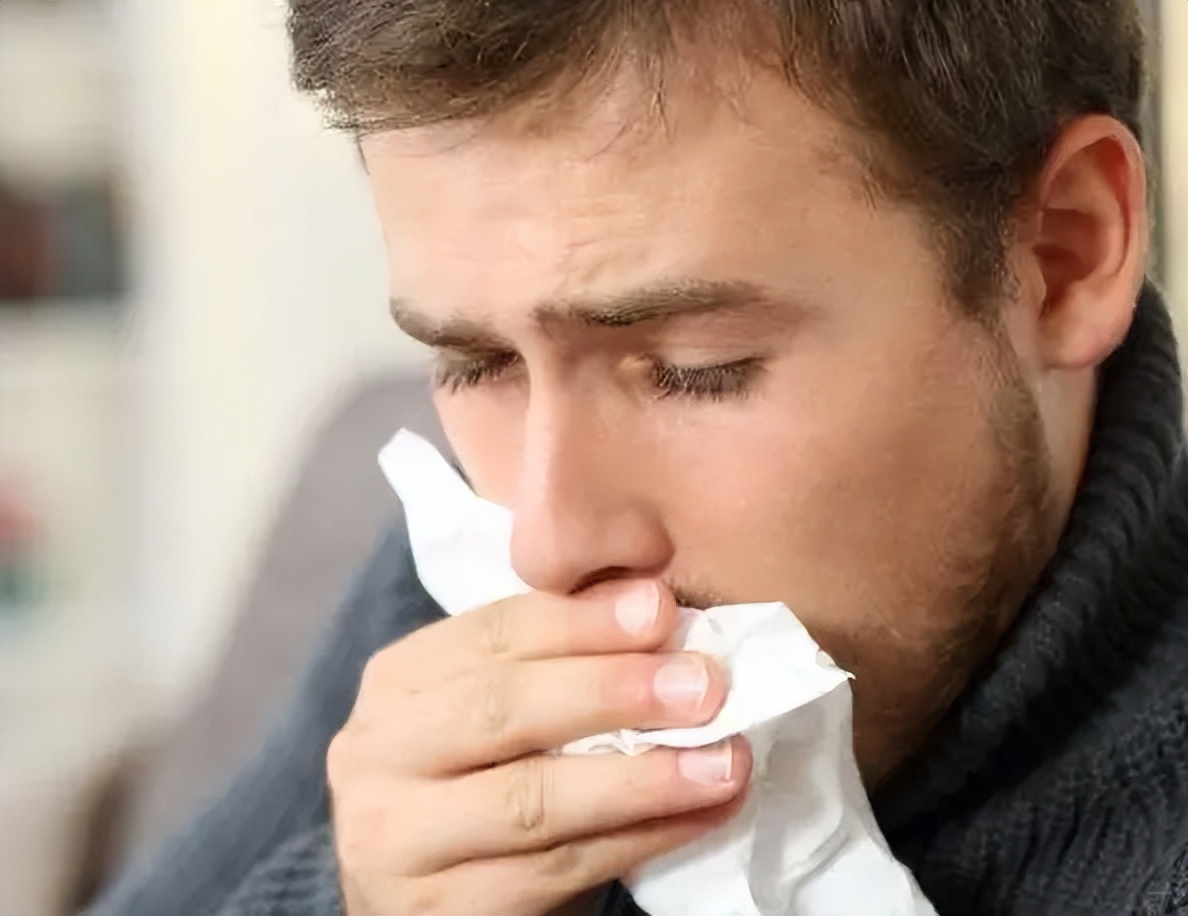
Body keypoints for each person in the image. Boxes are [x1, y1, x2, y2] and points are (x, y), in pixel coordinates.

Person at [90, 1, 1187, 914]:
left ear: (1063, 255)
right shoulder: (451, 588)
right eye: (477, 363)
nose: (547, 542)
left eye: (693, 369)